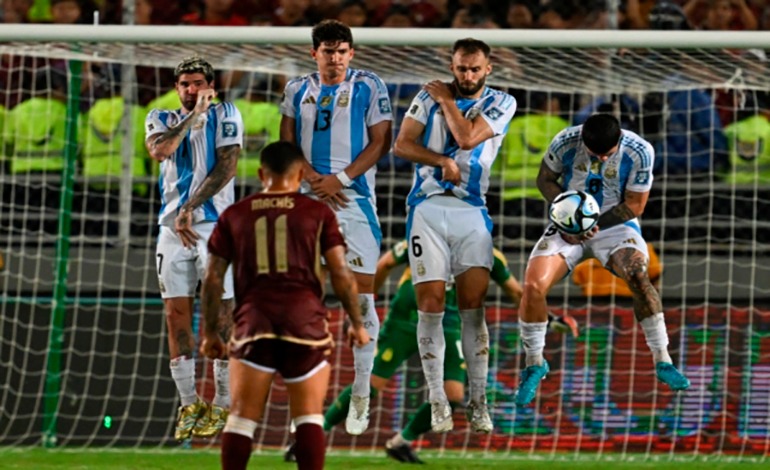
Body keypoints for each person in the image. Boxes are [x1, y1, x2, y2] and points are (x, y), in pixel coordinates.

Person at [310, 240, 578, 464]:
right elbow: (385, 264)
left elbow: (515, 291)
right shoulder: (424, 238)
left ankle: (400, 442)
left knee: (453, 395)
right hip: (406, 320)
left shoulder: (489, 254)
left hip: (448, 325)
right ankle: (314, 435)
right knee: (372, 385)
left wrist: (550, 319)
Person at [199, 141, 369, 470]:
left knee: (241, 419)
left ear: (261, 174)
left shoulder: (235, 214)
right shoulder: (318, 213)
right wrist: (357, 324)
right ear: (301, 174)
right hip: (304, 323)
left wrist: (210, 333)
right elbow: (340, 272)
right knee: (309, 417)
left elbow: (212, 278)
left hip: (254, 323)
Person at [514, 113, 690, 407]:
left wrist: (593, 224)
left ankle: (663, 359)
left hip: (615, 224)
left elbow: (635, 205)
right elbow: (544, 179)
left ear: (619, 140)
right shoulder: (566, 141)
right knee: (532, 286)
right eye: (594, 153)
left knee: (638, 275)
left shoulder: (639, 150)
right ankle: (534, 363)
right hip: (569, 222)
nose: (600, 158)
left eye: (606, 154)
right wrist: (567, 214)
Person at [393, 38, 517, 434]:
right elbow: (401, 144)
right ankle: (437, 400)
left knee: (472, 306)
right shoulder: (425, 96)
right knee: (430, 304)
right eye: (461, 68)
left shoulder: (502, 102)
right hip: (426, 208)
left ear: (488, 68)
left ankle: (478, 401)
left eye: (475, 69)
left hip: (472, 210)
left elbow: (466, 139)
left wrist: (446, 101)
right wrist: (439, 160)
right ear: (452, 65)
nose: (467, 75)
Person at [279, 19, 393, 435]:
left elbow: (382, 141)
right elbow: (286, 142)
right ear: (315, 54)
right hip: (308, 199)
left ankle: (360, 393)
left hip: (354, 200)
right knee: (303, 300)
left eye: (342, 50)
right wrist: (313, 178)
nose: (336, 57)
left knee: (361, 298)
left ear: (351, 53)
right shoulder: (296, 89)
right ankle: (305, 401)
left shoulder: (370, 84)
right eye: (328, 51)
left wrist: (339, 179)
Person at [144, 56, 242, 441]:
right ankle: (189, 404)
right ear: (176, 88)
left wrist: (191, 207)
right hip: (171, 231)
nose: (191, 90)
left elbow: (227, 167)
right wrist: (192, 117)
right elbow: (160, 151)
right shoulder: (160, 117)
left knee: (221, 313)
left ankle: (222, 401)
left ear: (211, 86)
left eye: (198, 83)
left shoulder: (227, 113)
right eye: (184, 84)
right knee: (175, 314)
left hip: (214, 226)